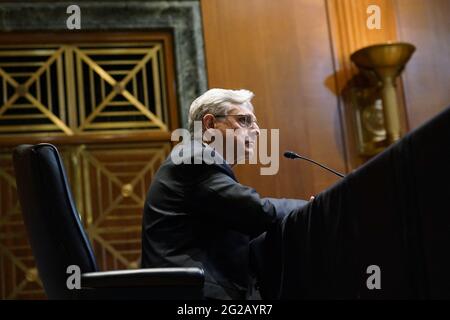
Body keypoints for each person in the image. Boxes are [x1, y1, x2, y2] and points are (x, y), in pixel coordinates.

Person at [141, 88, 307, 299]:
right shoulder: (194, 159)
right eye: (244, 120)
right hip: (193, 294)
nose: (256, 130)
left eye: (255, 122)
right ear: (210, 125)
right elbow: (255, 211)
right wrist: (311, 206)